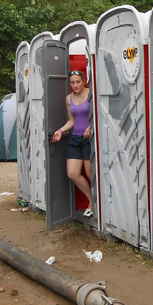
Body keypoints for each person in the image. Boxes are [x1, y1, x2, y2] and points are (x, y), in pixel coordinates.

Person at [50, 69, 93, 217]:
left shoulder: (91, 94)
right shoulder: (69, 99)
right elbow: (72, 121)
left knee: (89, 173)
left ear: (83, 81)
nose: (75, 85)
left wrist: (91, 127)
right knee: (73, 173)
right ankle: (91, 200)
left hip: (89, 139)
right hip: (75, 138)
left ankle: (95, 204)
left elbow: (99, 115)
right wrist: (60, 131)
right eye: (72, 82)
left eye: (78, 82)